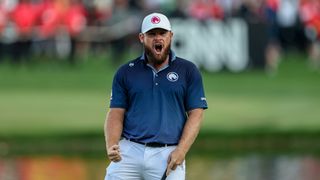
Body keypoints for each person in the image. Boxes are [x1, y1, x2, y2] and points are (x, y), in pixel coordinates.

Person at [104, 12, 208, 180]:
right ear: (141, 37)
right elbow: (116, 112)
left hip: (168, 153)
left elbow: (196, 113)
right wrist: (112, 145)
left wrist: (181, 150)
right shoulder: (126, 72)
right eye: (152, 34)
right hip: (130, 150)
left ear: (171, 36)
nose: (158, 38)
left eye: (162, 33)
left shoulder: (188, 70)